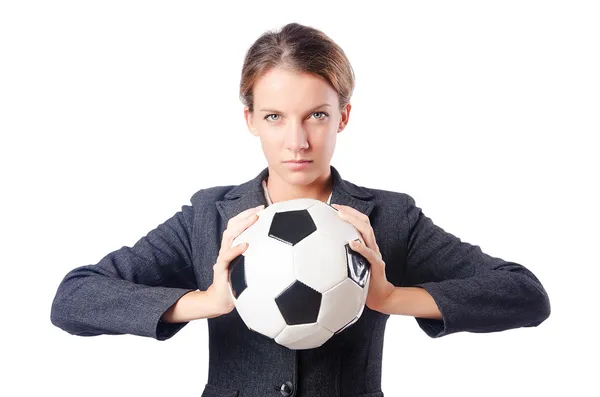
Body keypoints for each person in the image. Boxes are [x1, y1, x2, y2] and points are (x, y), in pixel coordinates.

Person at [50, 22, 551, 397]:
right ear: (250, 119)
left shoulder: (389, 218)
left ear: (343, 117)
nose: (297, 141)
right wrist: (206, 301)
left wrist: (391, 296)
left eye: (316, 115)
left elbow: (525, 294)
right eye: (274, 116)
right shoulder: (208, 216)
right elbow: (73, 299)